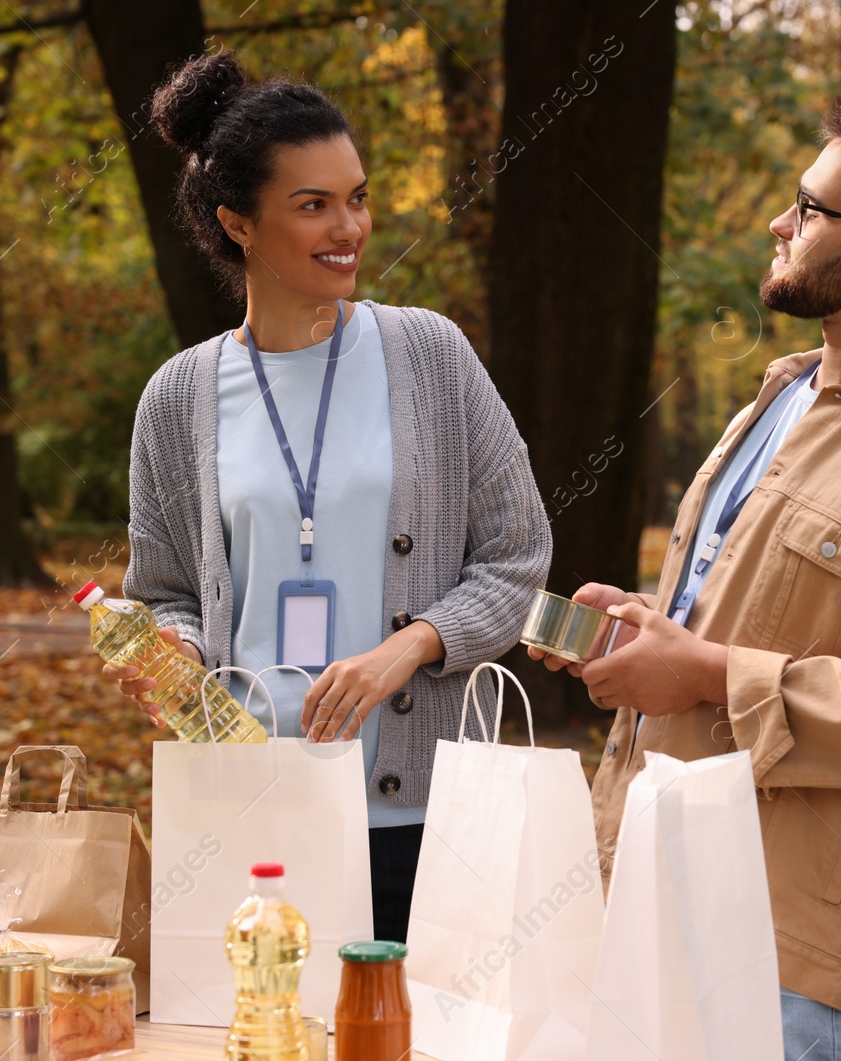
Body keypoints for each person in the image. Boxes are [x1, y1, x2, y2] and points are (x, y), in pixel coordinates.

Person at [532, 98, 841, 1059]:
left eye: (809, 208)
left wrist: (708, 672)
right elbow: (741, 621)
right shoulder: (781, 397)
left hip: (787, 966)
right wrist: (651, 633)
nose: (780, 222)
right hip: (647, 889)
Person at [101, 54, 551, 942]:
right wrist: (171, 648)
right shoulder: (179, 397)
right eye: (313, 205)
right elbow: (166, 593)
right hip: (250, 808)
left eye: (357, 196)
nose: (349, 226)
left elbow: (517, 557)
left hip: (420, 814)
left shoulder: (431, 356)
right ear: (238, 222)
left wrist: (410, 648)